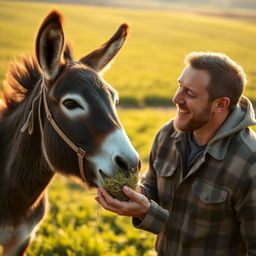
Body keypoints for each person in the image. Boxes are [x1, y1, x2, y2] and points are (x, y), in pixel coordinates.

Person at [96, 52, 256, 255]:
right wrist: (137, 196)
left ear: (220, 105)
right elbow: (153, 188)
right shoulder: (167, 135)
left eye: (190, 93)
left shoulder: (250, 163)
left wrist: (149, 212)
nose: (176, 98)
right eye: (179, 85)